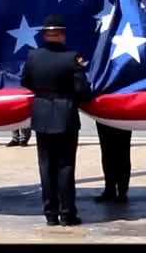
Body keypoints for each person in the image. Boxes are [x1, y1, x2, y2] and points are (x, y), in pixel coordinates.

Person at [21, 14, 93, 226]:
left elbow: (26, 81)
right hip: (66, 115)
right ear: (61, 35)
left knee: (46, 166)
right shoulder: (72, 57)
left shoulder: (33, 56)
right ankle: (67, 213)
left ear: (45, 35)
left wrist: (44, 94)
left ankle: (50, 214)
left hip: (42, 114)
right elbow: (82, 90)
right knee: (65, 166)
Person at [96, 122, 132, 203]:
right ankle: (110, 188)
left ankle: (122, 191)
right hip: (104, 115)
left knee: (122, 151)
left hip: (122, 116)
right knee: (107, 151)